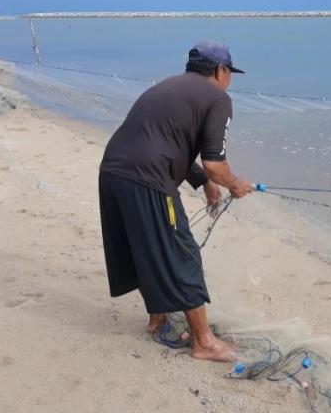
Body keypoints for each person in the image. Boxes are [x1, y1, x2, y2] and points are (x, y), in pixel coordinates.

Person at [98, 40, 253, 362]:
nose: (229, 80)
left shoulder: (165, 87)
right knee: (183, 253)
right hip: (148, 179)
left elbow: (163, 141)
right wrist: (235, 184)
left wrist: (204, 182)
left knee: (142, 247)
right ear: (220, 70)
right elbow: (214, 162)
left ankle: (157, 319)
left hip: (112, 172)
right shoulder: (218, 98)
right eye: (229, 72)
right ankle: (204, 342)